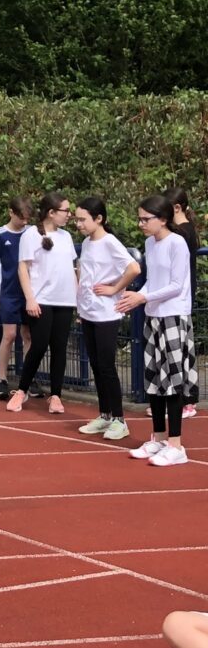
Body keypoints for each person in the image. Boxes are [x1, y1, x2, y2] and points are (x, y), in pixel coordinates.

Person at [117, 194, 195, 467]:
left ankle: (176, 444)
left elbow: (177, 284)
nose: (141, 224)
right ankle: (159, 436)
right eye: (139, 218)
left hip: (173, 316)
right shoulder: (151, 243)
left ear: (163, 219)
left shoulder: (178, 243)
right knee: (154, 380)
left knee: (173, 381)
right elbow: (152, 280)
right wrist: (136, 296)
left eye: (145, 219)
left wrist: (143, 298)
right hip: (154, 315)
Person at [73, 197, 141, 439]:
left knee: (107, 365)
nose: (78, 223)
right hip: (89, 311)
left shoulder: (110, 242)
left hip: (106, 312)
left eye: (82, 219)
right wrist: (81, 307)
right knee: (96, 365)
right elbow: (85, 275)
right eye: (77, 218)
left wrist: (114, 289)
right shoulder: (88, 243)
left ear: (98, 218)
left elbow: (134, 268)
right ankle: (104, 415)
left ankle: (120, 420)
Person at [7, 192, 77, 414]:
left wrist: (78, 296)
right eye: (65, 211)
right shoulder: (31, 235)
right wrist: (30, 298)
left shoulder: (66, 237)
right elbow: (23, 268)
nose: (69, 215)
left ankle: (56, 395)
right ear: (51, 212)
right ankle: (21, 390)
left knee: (59, 348)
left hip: (65, 300)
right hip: (42, 300)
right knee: (38, 345)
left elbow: (73, 269)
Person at [0, 196, 34, 399]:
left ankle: (28, 379)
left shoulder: (32, 233)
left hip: (29, 292)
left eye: (27, 218)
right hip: (8, 292)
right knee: (9, 335)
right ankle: (2, 379)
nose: (24, 222)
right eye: (20, 217)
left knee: (28, 336)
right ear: (11, 213)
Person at [163, 187, 200, 419]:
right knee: (175, 349)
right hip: (179, 294)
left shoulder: (182, 233)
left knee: (181, 349)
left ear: (176, 207)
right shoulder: (184, 231)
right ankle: (179, 399)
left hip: (180, 296)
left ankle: (186, 400)